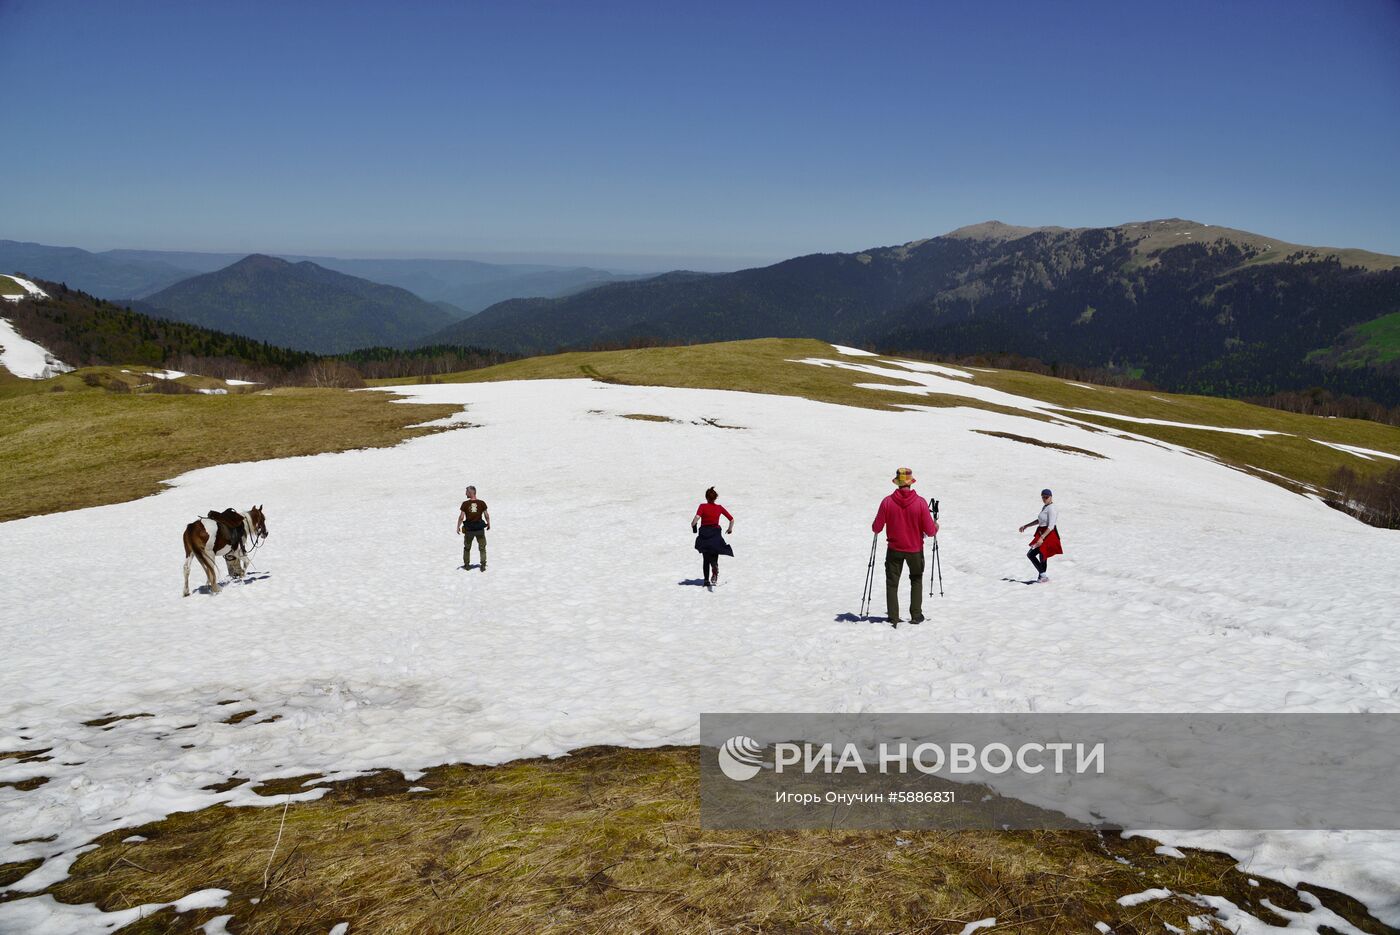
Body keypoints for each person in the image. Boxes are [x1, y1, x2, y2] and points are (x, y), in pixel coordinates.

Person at [871, 467, 939, 623]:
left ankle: (893, 617)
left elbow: (877, 528)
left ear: (897, 483)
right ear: (910, 483)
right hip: (915, 549)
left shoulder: (887, 502)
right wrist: (936, 526)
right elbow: (930, 531)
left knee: (892, 583)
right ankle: (916, 615)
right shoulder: (920, 503)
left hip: (894, 549)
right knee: (916, 579)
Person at [691, 487, 734, 589]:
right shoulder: (719, 508)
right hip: (715, 533)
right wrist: (729, 529)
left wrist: (693, 524)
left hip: (705, 533)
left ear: (706, 497)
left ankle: (706, 580)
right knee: (714, 553)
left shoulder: (702, 506)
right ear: (715, 498)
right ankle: (714, 568)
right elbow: (731, 519)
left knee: (706, 557)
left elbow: (697, 518)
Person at [1018, 488, 1062, 583]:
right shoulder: (1045, 507)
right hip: (1042, 532)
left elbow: (1051, 526)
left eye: (1046, 497)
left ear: (1051, 497)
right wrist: (1026, 526)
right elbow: (1040, 520)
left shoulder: (1052, 508)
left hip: (1049, 534)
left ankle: (1043, 576)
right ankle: (1042, 577)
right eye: (1043, 497)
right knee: (1041, 556)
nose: (1044, 499)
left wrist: (1042, 538)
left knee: (1033, 554)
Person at [457, 485, 490, 571]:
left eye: (466, 492)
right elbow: (486, 515)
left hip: (469, 529)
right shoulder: (482, 503)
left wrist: (458, 526)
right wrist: (488, 523)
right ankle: (483, 564)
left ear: (470, 492)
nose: (465, 494)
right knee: (482, 547)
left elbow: (461, 517)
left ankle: (467, 565)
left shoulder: (465, 504)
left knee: (467, 548)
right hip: (479, 528)